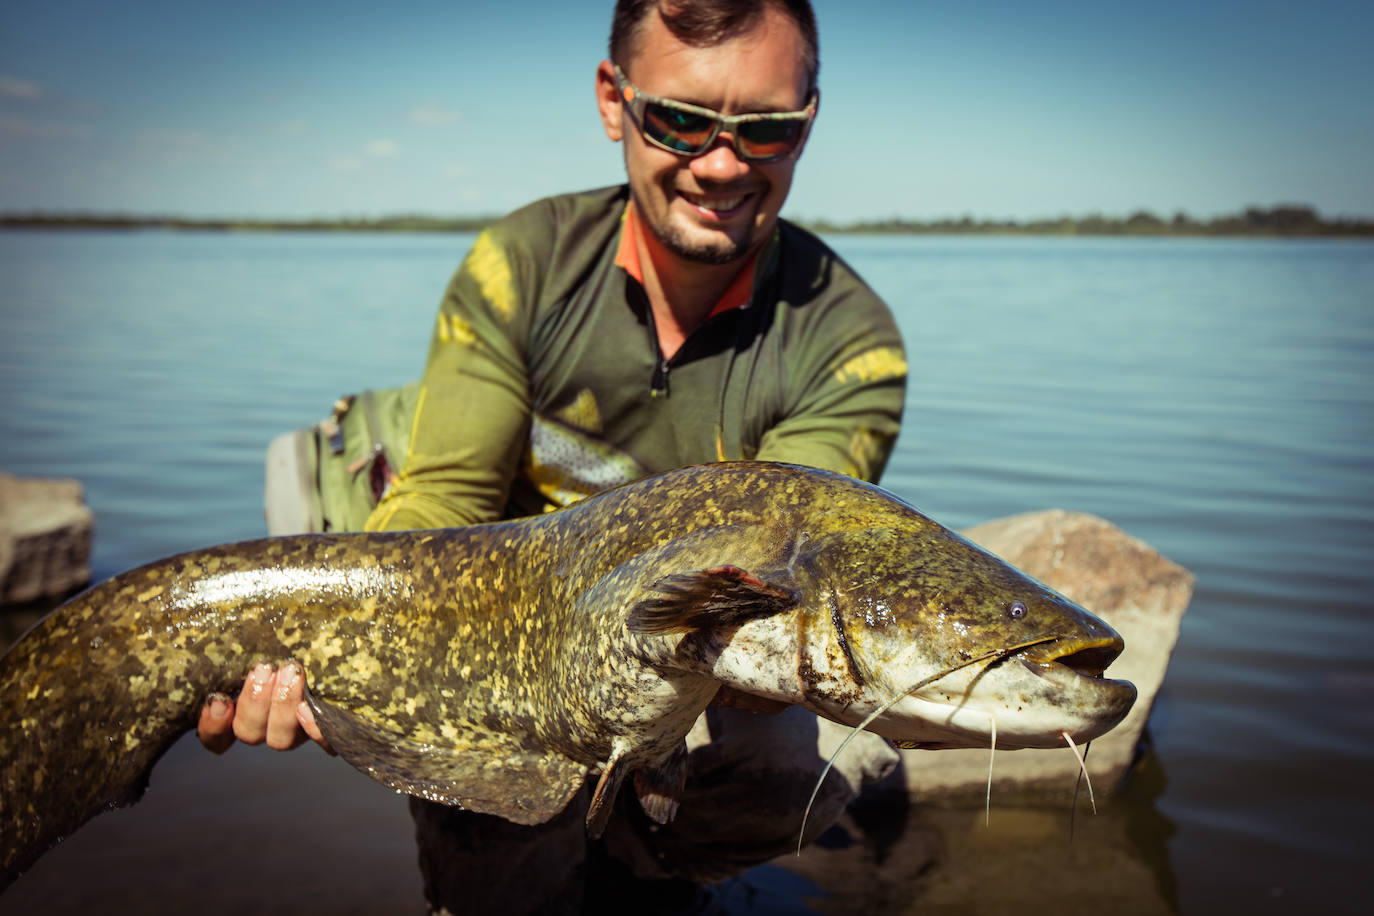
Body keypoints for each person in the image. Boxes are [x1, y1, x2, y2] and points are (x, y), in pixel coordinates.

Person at [199, 0, 907, 907]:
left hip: (671, 627)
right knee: (503, 859)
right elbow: (443, 502)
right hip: (493, 608)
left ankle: (662, 870)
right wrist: (332, 658)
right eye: (681, 121)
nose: (722, 165)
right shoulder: (521, 262)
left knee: (787, 769)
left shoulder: (853, 344)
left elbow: (795, 570)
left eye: (763, 130)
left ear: (806, 122)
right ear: (616, 102)